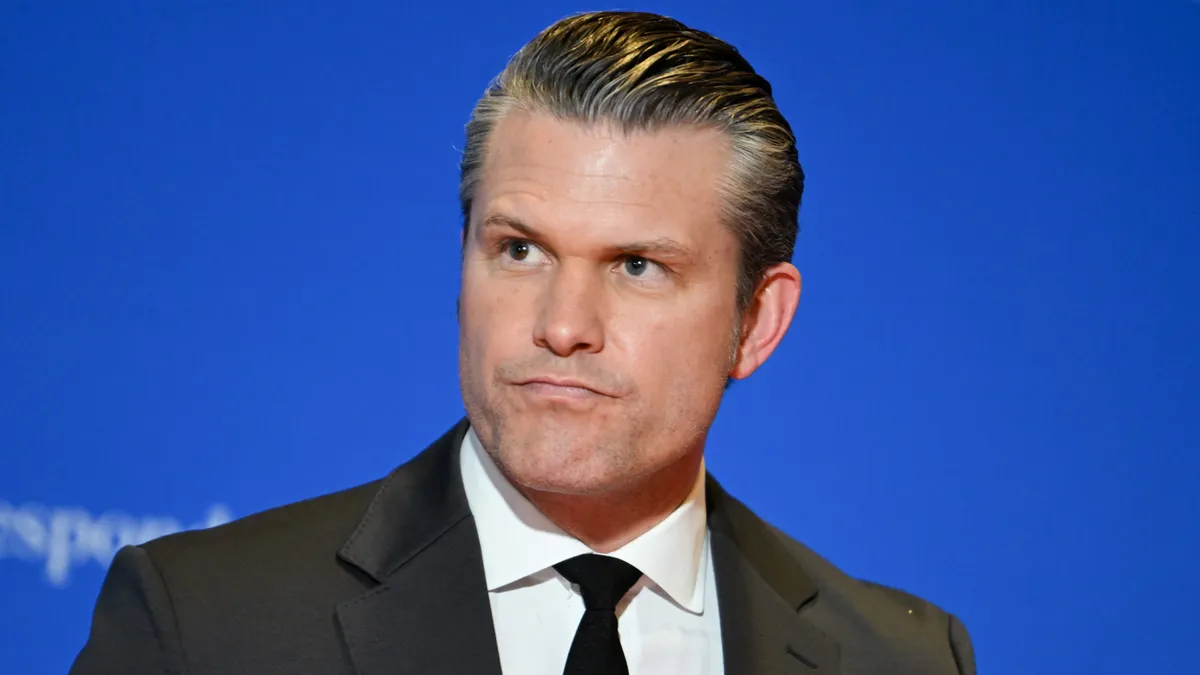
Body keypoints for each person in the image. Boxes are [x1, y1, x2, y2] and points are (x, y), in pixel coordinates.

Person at [70, 10, 975, 675]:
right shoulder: (207, 625)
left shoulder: (902, 657)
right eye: (520, 250)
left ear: (757, 321)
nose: (563, 325)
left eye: (637, 265)